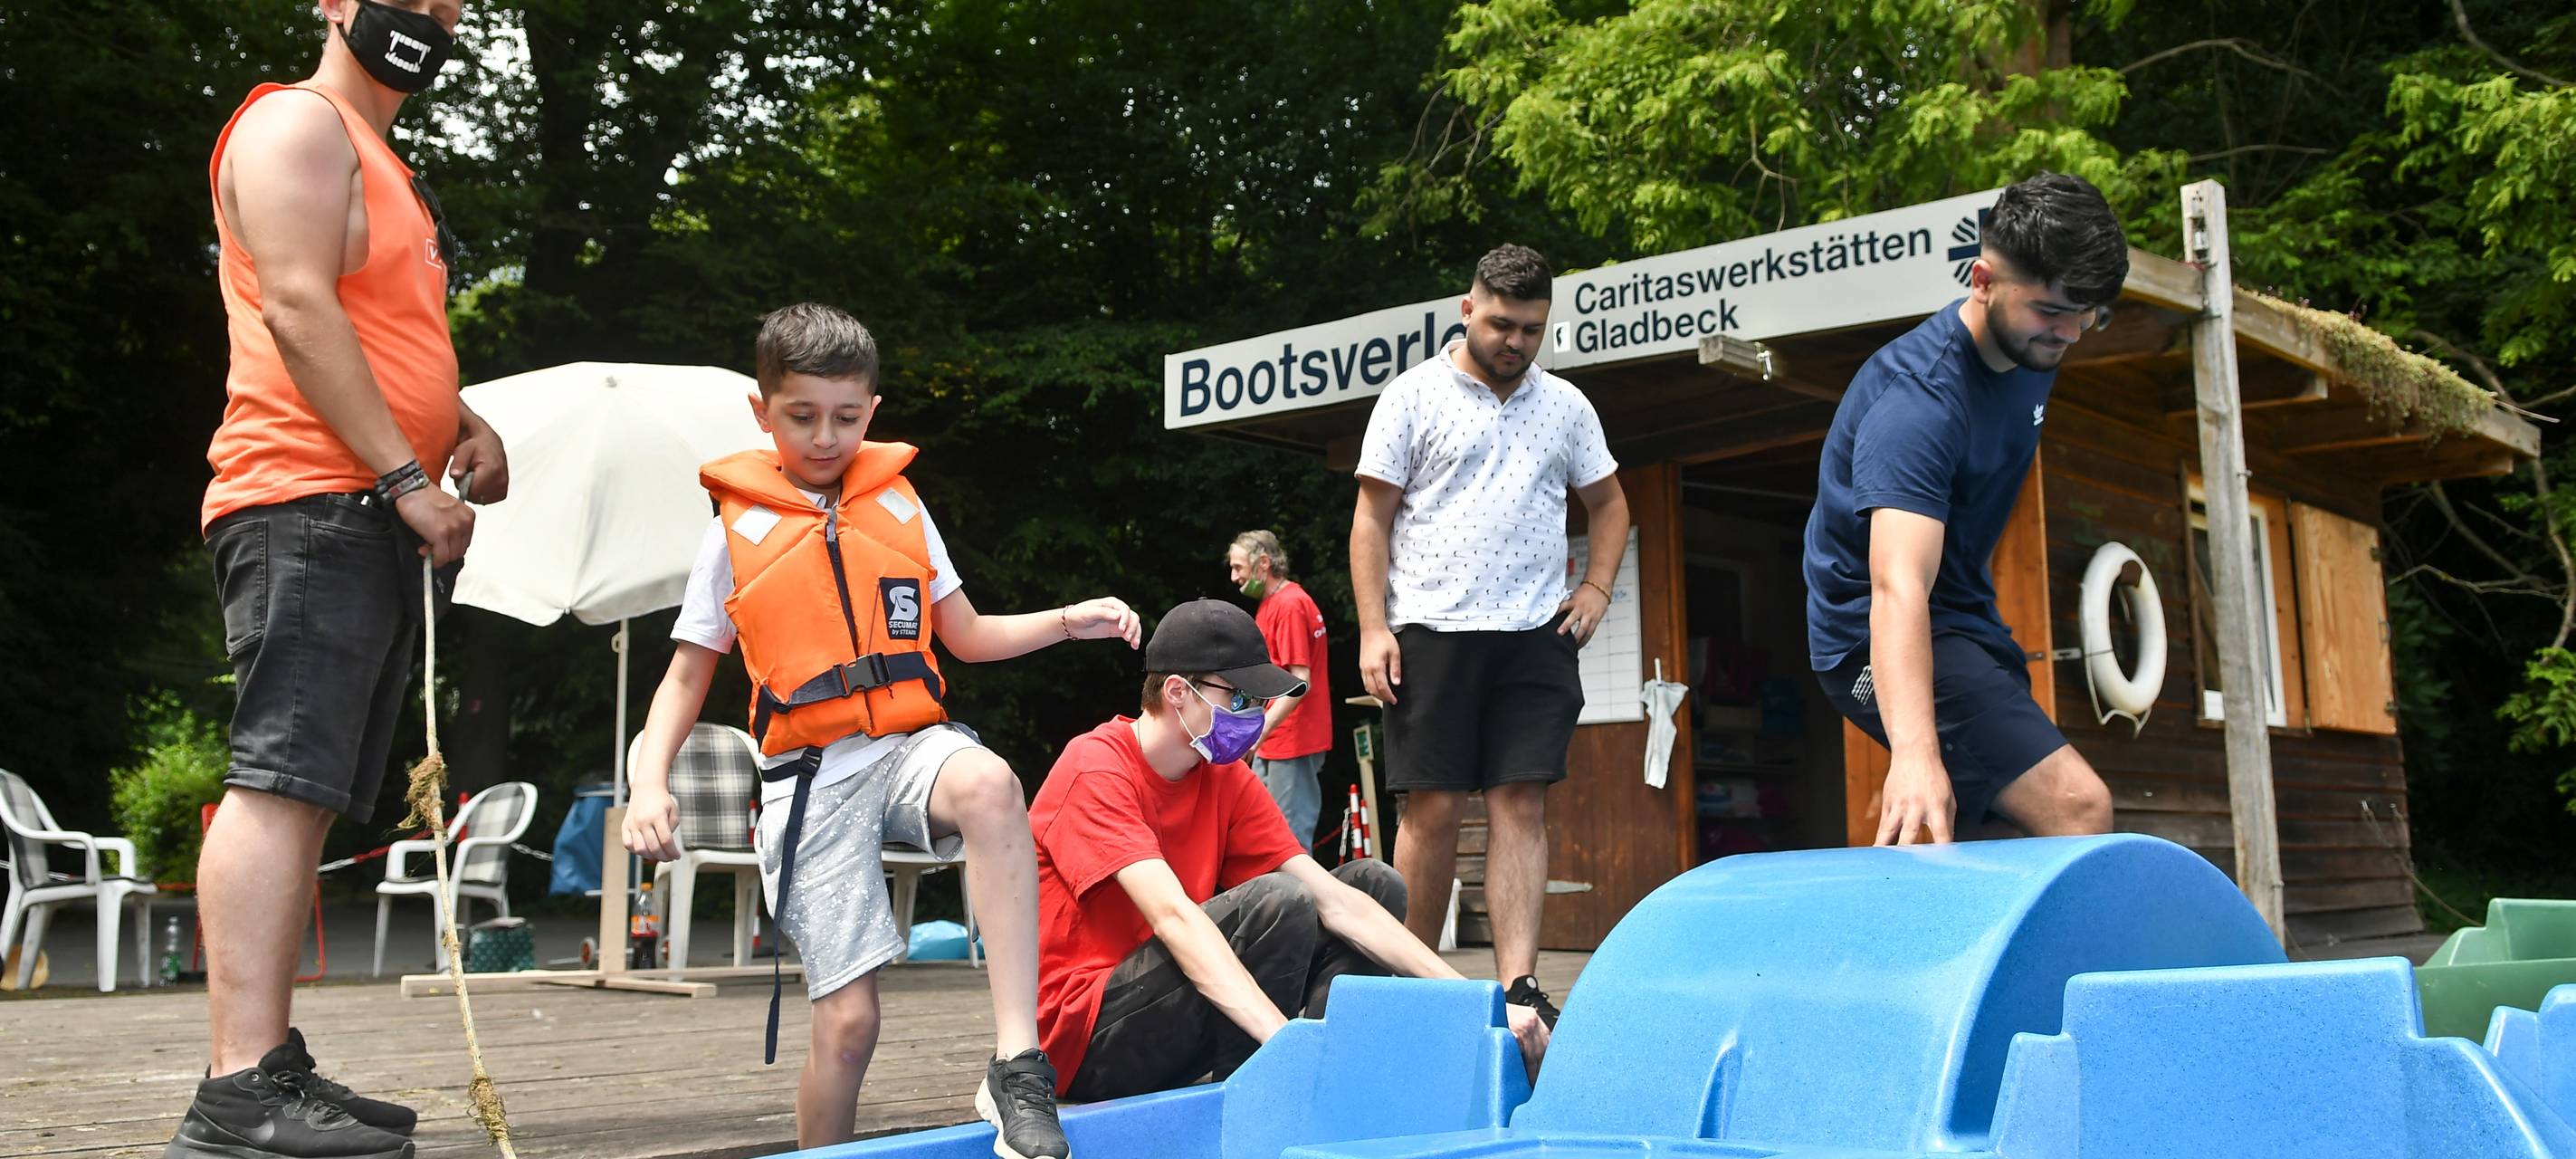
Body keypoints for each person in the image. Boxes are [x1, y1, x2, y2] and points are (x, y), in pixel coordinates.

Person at [620, 303, 1138, 1158]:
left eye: (847, 416)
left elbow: (967, 635)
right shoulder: (732, 536)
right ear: (762, 412)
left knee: (990, 782)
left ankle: (1019, 1063)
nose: (827, 437)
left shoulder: (899, 506)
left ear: (872, 409)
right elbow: (684, 676)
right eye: (803, 415)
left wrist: (1065, 621)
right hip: (809, 780)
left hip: (905, 750)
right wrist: (648, 784)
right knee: (850, 1026)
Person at [175, 4, 501, 1157]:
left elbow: (370, 323)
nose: (431, 13)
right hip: (309, 495)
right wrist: (407, 474)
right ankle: (237, 1091)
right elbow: (297, 304)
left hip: (355, 503)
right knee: (278, 778)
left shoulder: (378, 157)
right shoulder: (296, 124)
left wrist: (461, 420)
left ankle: (270, 1065)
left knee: (308, 785)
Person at [1028, 599, 1550, 1102]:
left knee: (1373, 883)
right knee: (1281, 901)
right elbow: (1174, 919)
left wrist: (1481, 1005)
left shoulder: (1223, 776)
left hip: (1169, 1007)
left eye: (1261, 701)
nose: (1256, 715)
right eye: (1241, 699)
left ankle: (1327, 1076)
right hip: (1082, 1042)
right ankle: (1274, 1080)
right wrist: (1285, 1042)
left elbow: (1340, 904)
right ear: (1177, 692)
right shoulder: (1096, 768)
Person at [1349, 243, 1628, 1030]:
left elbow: (1610, 504)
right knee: (1433, 809)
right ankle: (1412, 987)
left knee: (1521, 803)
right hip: (1431, 630)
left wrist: (1597, 587)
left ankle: (1519, 986)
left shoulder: (1566, 406)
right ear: (1467, 309)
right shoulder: (1410, 397)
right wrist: (1373, 628)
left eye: (1532, 329)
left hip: (1534, 634)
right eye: (1502, 323)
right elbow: (1370, 520)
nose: (1515, 341)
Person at [1803, 172, 2124, 847]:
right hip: (1869, 635)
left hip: (1967, 620)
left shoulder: (2033, 346)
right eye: (2051, 311)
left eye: (2087, 312)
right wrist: (1915, 754)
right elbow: (1897, 584)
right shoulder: (1918, 403)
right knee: (2077, 807)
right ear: (1982, 280)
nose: (2069, 333)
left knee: (2003, 836)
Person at [1225, 530, 1332, 847]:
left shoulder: (1289, 604)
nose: (1234, 577)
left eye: (1238, 567)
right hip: (1275, 739)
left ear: (1263, 563)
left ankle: (1300, 885)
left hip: (1294, 740)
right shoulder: (1271, 604)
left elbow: (1300, 681)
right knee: (1263, 835)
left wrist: (1258, 732)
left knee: (1290, 839)